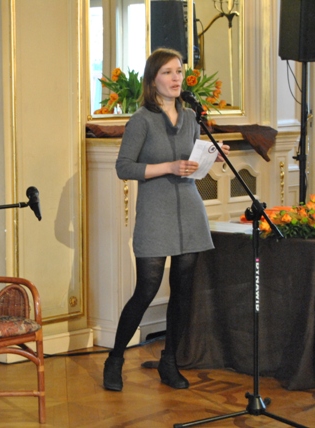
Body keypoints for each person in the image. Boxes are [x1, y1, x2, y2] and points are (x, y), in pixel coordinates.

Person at [102, 48, 229, 391]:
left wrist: (211, 156)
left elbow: (191, 163)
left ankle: (169, 361)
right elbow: (124, 167)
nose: (176, 78)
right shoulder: (141, 120)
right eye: (168, 72)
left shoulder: (190, 118)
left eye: (179, 72)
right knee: (146, 289)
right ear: (153, 80)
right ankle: (115, 359)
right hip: (155, 213)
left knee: (183, 292)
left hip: (189, 210)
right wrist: (168, 167)